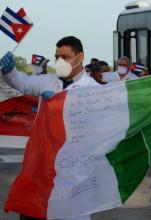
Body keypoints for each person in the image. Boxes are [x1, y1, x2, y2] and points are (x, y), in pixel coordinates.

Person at [0, 36, 98, 220]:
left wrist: (59, 107)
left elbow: (95, 126)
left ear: (80, 57)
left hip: (72, 169)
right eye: (57, 57)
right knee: (34, 209)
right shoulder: (48, 81)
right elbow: (23, 83)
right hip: (41, 164)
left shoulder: (93, 90)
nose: (60, 61)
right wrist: (10, 70)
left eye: (65, 56)